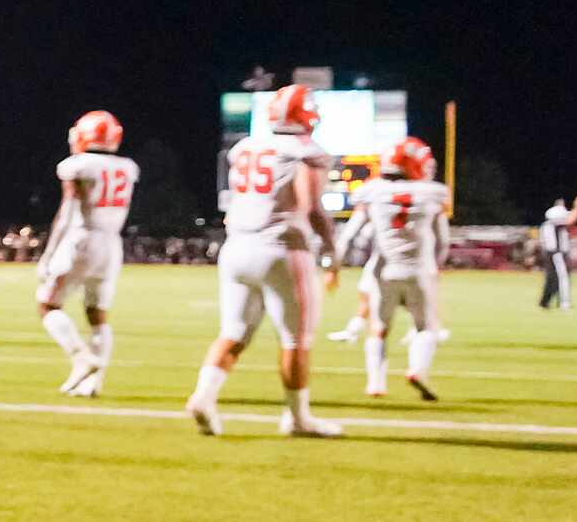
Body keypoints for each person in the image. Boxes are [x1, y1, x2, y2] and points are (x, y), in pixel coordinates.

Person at [188, 82, 339, 437]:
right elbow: (312, 208)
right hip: (282, 250)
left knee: (234, 332)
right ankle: (299, 419)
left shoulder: (245, 147)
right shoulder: (305, 151)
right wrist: (332, 251)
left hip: (237, 248)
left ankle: (203, 397)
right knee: (296, 339)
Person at [36, 111, 136, 396]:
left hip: (82, 240)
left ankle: (81, 359)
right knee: (97, 315)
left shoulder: (77, 166)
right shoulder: (127, 167)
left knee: (47, 304)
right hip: (111, 243)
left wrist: (48, 254)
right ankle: (94, 382)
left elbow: (66, 214)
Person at [342, 134, 447, 399]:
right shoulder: (432, 194)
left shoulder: (374, 191)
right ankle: (417, 370)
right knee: (425, 327)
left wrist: (335, 261)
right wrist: (438, 265)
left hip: (384, 270)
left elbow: (353, 233)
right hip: (418, 269)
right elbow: (442, 241)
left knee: (379, 327)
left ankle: (376, 383)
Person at [538, 194, 577, 309]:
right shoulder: (555, 223)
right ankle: (564, 303)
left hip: (552, 253)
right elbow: (570, 220)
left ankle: (545, 302)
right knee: (563, 277)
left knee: (552, 278)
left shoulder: (547, 224)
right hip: (556, 253)